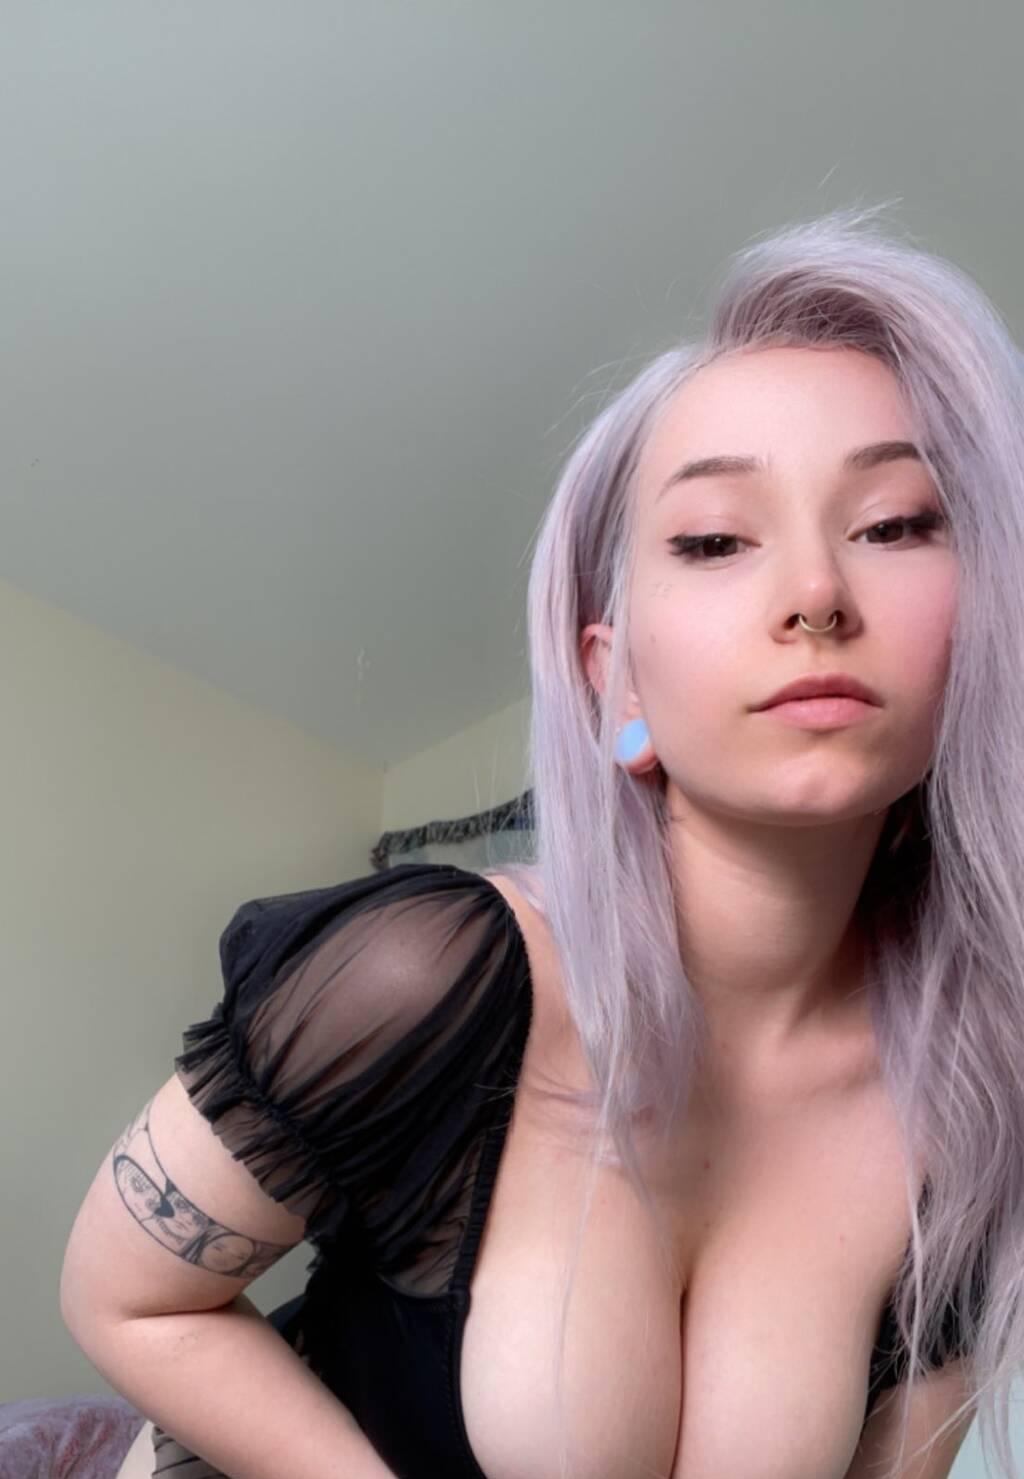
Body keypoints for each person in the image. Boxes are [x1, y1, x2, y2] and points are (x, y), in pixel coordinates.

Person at [61, 203, 1021, 1479]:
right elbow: (130, 1298)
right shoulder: (424, 975)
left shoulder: (976, 1106)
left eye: (894, 524)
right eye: (714, 540)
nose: (814, 595)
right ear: (611, 683)